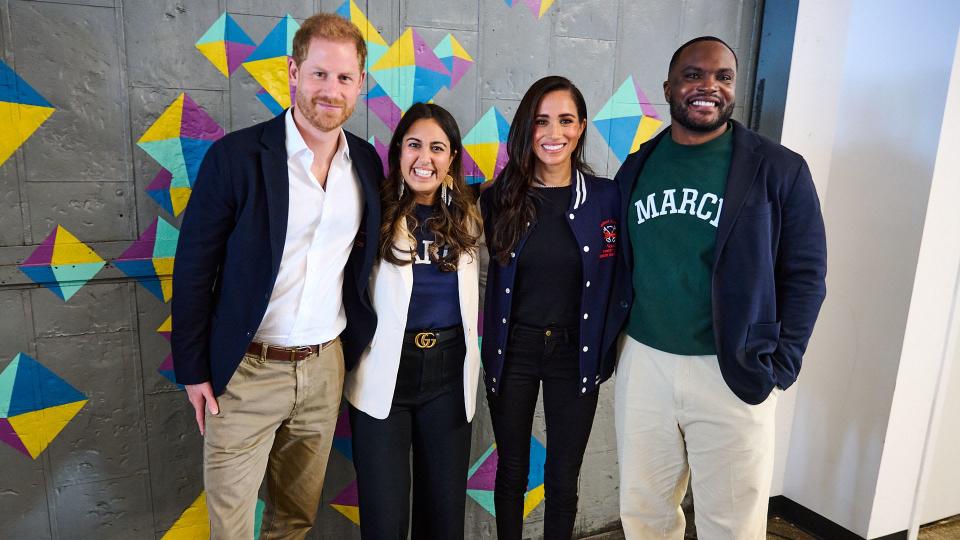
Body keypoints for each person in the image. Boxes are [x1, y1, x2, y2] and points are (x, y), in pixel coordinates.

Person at [170, 13, 382, 539]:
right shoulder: (236, 157)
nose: (330, 90)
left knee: (294, 519)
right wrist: (194, 370)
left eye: (344, 78)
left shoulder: (369, 164)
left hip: (324, 368)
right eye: (319, 74)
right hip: (244, 373)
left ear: (361, 84)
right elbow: (195, 267)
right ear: (293, 72)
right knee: (233, 527)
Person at [610, 36, 827, 538]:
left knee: (730, 521)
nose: (708, 86)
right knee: (644, 511)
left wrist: (782, 360)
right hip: (644, 362)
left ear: (734, 89)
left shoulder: (778, 168)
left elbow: (807, 273)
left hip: (732, 366)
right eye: (693, 74)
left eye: (723, 77)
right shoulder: (638, 166)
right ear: (668, 87)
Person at [480, 75, 623, 540]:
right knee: (512, 471)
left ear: (581, 127)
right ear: (527, 128)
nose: (553, 133)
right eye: (542, 121)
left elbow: (621, 277)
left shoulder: (605, 199)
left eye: (565, 120)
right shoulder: (497, 198)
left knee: (564, 475)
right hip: (513, 350)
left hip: (573, 352)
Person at [344, 102, 482, 540]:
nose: (425, 158)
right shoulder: (370, 207)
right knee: (384, 519)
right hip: (384, 369)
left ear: (452, 158)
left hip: (448, 372)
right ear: (398, 151)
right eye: (415, 145)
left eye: (438, 148)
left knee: (442, 517)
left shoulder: (471, 212)